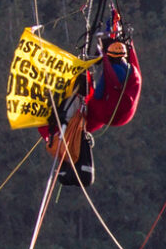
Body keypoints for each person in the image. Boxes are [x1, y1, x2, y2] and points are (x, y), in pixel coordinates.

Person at [42, 21, 142, 186]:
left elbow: (100, 93)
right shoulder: (131, 69)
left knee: (71, 105)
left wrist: (88, 84)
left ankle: (66, 130)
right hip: (121, 113)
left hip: (107, 112)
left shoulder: (113, 74)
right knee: (76, 111)